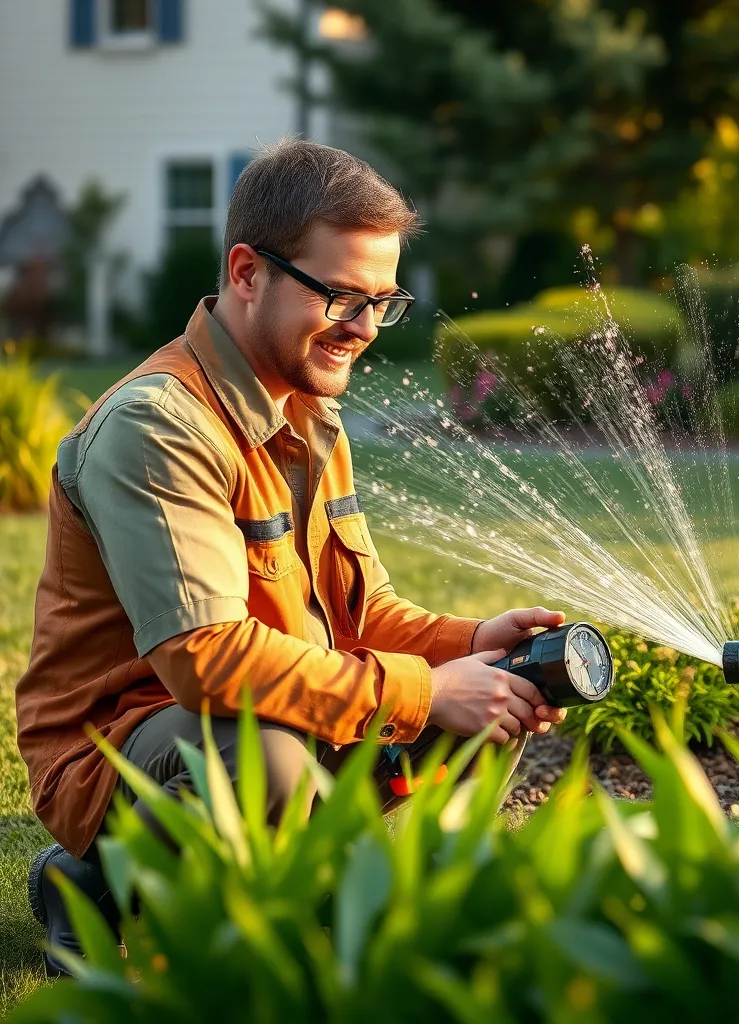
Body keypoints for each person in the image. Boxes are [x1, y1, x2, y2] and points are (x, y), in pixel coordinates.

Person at [15, 138, 567, 977]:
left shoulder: (307, 410)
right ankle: (140, 894)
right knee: (262, 755)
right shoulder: (159, 425)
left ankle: (372, 914)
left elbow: (362, 615)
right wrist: (423, 691)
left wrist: (474, 644)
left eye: (384, 302)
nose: (366, 329)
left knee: (495, 696)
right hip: (122, 746)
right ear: (247, 272)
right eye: (343, 297)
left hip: (271, 706)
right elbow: (203, 662)